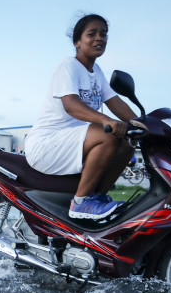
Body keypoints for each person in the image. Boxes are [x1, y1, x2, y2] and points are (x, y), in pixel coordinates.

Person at [24, 13, 142, 220]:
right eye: (92, 34)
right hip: (47, 143)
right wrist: (106, 120)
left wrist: (144, 124)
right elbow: (71, 105)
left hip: (73, 141)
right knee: (109, 133)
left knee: (128, 141)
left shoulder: (97, 71)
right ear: (77, 42)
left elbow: (116, 102)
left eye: (103, 34)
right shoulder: (68, 65)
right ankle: (81, 203)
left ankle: (98, 197)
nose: (99, 38)